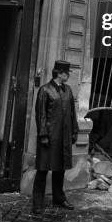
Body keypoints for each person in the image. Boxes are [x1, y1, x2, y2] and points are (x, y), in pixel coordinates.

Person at [32, 60, 78, 214]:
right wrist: (43, 135)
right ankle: (37, 203)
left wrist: (74, 131)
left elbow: (72, 113)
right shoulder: (45, 90)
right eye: (66, 73)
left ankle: (59, 197)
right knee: (43, 169)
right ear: (59, 73)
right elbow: (41, 115)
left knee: (60, 168)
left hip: (64, 136)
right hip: (49, 137)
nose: (68, 75)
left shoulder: (68, 90)